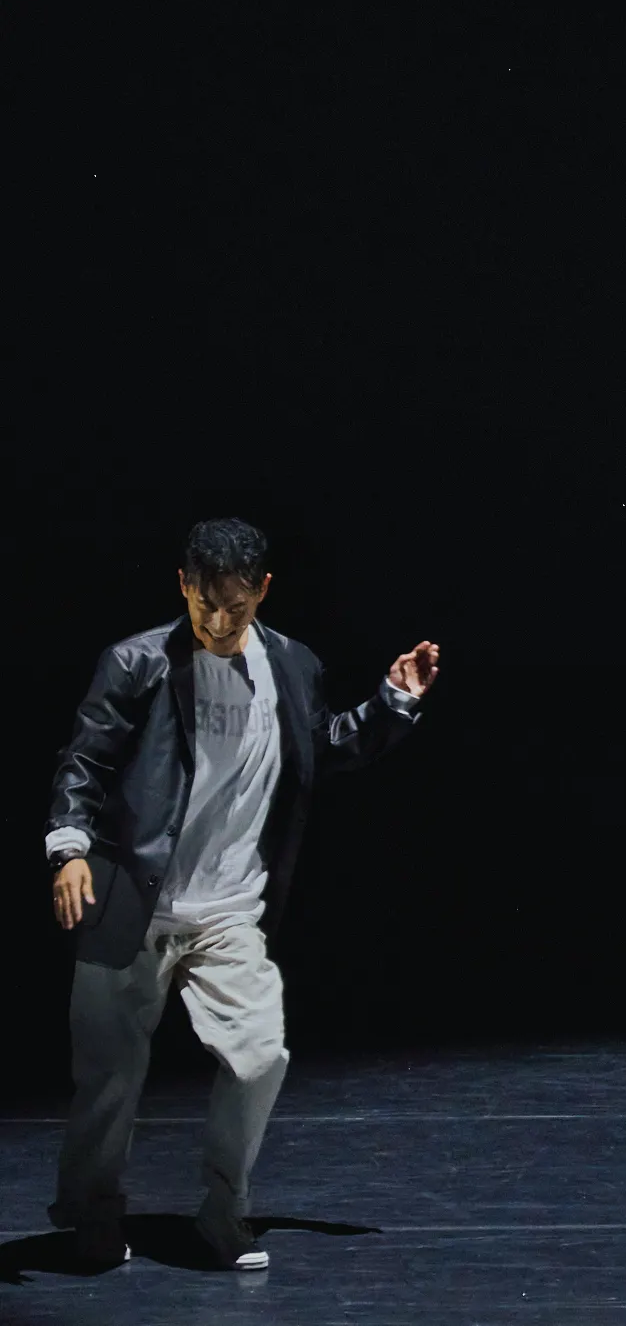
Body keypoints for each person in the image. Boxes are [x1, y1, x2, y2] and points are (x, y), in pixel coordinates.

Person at [43, 517, 440, 1271]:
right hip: (131, 904)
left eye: (237, 607)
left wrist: (391, 703)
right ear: (183, 585)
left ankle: (224, 1210)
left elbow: (319, 749)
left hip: (228, 910)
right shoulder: (136, 662)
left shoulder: (291, 663)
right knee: (107, 1077)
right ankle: (91, 1212)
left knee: (259, 1057)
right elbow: (85, 760)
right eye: (205, 606)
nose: (221, 624)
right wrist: (68, 848)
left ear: (262, 591)